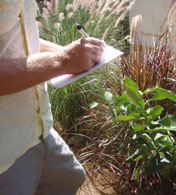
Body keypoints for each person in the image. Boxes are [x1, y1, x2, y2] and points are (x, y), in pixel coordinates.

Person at [0, 0, 104, 194]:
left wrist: (74, 53)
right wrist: (62, 60)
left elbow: (18, 39)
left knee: (71, 178)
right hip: (5, 155)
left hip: (40, 131)